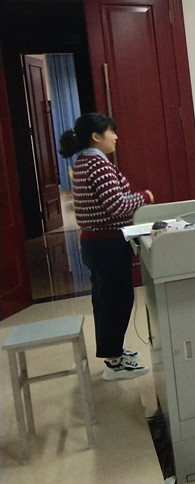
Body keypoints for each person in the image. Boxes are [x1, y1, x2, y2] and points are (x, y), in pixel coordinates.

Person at [58, 113, 153, 381]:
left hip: (99, 244)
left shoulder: (86, 161)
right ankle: (114, 362)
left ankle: (114, 351)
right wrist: (145, 196)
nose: (116, 137)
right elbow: (117, 205)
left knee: (107, 300)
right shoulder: (97, 164)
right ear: (96, 136)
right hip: (107, 245)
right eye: (112, 132)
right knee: (115, 302)